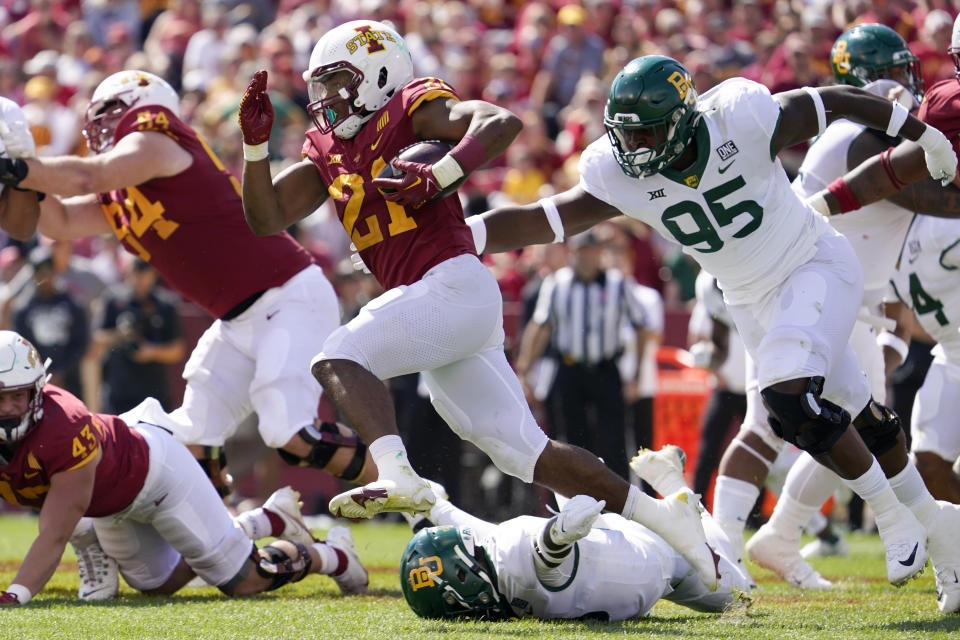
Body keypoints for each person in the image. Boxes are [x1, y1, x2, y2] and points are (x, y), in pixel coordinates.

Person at [237, 20, 721, 590]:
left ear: (379, 73)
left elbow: (500, 121)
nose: (327, 99)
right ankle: (662, 517)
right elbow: (265, 218)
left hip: (452, 284)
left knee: (339, 355)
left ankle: (397, 473)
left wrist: (441, 173)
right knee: (529, 454)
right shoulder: (328, 149)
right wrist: (254, 147)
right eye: (322, 86)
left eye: (339, 82)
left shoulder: (413, 109)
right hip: (434, 301)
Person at [468, 53, 958, 589]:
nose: (631, 151)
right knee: (856, 410)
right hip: (748, 298)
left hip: (811, 264)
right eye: (623, 136)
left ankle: (892, 518)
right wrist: (465, 236)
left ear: (682, 120)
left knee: (789, 400)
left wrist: (925, 136)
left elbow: (835, 100)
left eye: (646, 135)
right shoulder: (618, 170)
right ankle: (939, 526)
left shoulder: (739, 117)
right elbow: (545, 219)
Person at [0, 69, 376, 499]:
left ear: (143, 107)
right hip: (238, 319)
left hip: (287, 294)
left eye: (110, 111)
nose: (101, 125)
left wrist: (20, 166)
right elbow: (60, 222)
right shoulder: (124, 189)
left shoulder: (160, 142)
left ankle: (416, 494)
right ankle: (226, 546)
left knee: (289, 432)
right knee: (192, 440)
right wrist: (13, 178)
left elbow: (88, 177)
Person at [0, 330, 367, 606]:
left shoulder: (63, 427)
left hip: (158, 476)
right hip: (112, 502)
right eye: (0, 398)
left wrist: (16, 594)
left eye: (18, 395)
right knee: (156, 585)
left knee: (243, 581)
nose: (10, 408)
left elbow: (53, 533)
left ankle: (332, 555)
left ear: (37, 390)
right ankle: (263, 521)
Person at [398, 445, 751, 621]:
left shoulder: (511, 567)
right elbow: (472, 528)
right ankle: (671, 487)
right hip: (612, 541)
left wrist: (559, 534)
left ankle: (676, 492)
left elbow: (545, 559)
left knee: (741, 597)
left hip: (655, 555)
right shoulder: (495, 555)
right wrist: (427, 504)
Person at [514, 229, 648, 480]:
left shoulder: (618, 283)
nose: (587, 257)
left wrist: (636, 374)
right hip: (570, 369)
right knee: (572, 439)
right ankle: (577, 501)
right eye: (582, 251)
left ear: (600, 253)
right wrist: (524, 370)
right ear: (572, 253)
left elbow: (641, 326)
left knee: (614, 440)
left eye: (592, 251)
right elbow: (540, 327)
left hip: (606, 369)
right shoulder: (557, 283)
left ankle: (620, 504)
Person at [93, 258, 184, 414]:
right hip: (119, 394)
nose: (140, 281)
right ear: (128, 273)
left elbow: (177, 351)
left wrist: (152, 351)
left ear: (154, 275)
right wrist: (120, 335)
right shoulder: (114, 299)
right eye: (137, 275)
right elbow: (97, 339)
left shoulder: (165, 304)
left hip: (154, 395)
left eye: (145, 276)